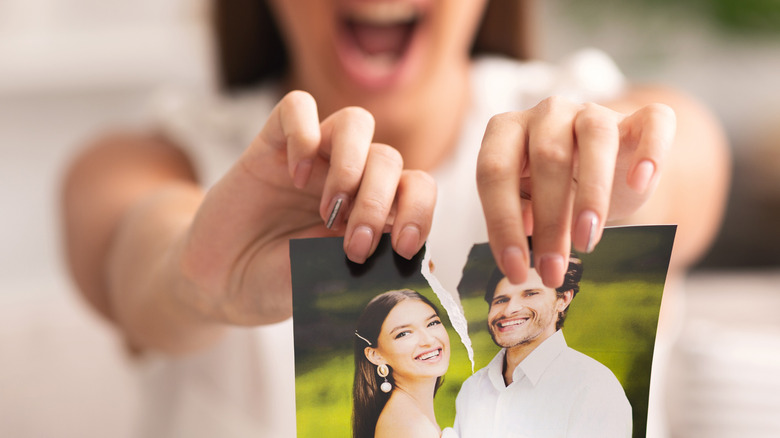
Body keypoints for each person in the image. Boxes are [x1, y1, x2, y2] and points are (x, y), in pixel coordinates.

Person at [60, 0, 729, 436]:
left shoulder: (589, 110)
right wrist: (193, 281)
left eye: (429, 322)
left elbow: (688, 159)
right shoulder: (153, 160)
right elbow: (137, 249)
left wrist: (612, 178)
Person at [454, 257, 632, 437]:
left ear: (563, 299)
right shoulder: (472, 389)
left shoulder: (593, 388)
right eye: (501, 300)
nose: (509, 310)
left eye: (530, 294)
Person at [353, 289, 453, 438]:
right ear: (375, 355)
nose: (429, 340)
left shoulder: (407, 416)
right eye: (404, 333)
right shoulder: (413, 428)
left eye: (433, 323)